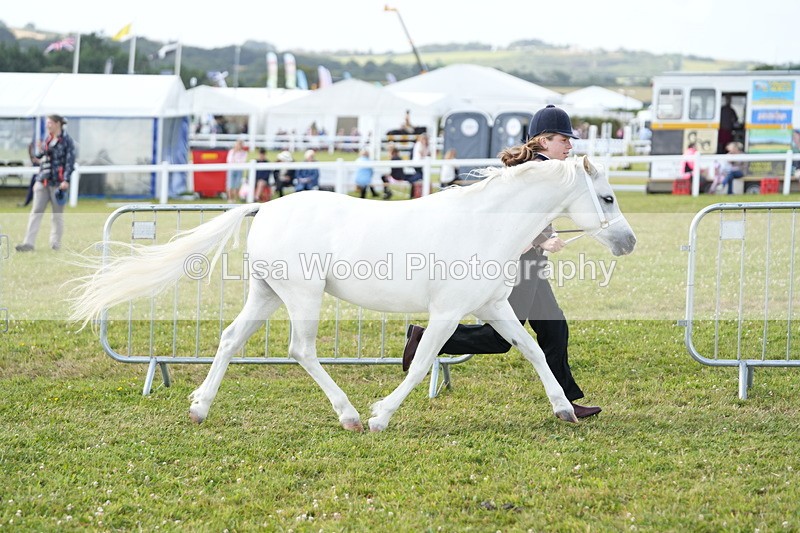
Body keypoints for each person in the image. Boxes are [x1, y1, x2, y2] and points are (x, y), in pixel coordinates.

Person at [402, 104, 602, 419]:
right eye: (564, 139)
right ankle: (424, 338)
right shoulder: (533, 172)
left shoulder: (545, 170)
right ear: (545, 140)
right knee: (499, 338)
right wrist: (543, 240)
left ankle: (565, 400)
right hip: (517, 264)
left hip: (530, 264)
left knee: (554, 330)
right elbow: (515, 218)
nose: (570, 145)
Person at [16, 114, 76, 252]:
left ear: (57, 124)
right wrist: (36, 150)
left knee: (57, 216)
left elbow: (69, 162)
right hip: (43, 181)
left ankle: (55, 244)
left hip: (58, 184)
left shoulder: (67, 141)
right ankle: (28, 244)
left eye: (49, 123)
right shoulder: (47, 139)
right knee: (35, 212)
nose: (47, 125)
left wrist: (66, 180)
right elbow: (41, 158)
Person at [226, 139, 248, 203]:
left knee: (237, 184)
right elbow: (229, 160)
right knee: (230, 184)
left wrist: (236, 161)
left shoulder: (244, 153)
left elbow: (243, 161)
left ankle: (235, 199)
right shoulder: (232, 151)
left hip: (239, 169)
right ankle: (230, 198)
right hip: (231, 168)